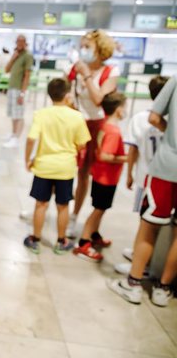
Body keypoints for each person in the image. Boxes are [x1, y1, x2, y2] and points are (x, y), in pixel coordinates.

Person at [109, 76, 177, 306]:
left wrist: (170, 135)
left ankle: (134, 283)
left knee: (148, 227)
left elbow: (154, 117)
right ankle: (163, 288)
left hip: (167, 167)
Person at [23, 78, 91, 254]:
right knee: (63, 205)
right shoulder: (76, 116)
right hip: (66, 168)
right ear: (68, 94)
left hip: (44, 166)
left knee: (41, 204)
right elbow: (82, 143)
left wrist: (27, 159)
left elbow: (31, 138)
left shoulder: (41, 114)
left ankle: (35, 239)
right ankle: (61, 241)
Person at [66, 29, 120, 238]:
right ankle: (48, 202)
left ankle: (74, 216)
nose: (84, 50)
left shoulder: (111, 72)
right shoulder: (76, 68)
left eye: (88, 46)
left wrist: (86, 74)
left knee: (83, 174)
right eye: (83, 46)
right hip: (75, 122)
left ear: (101, 49)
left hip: (96, 127)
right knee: (64, 165)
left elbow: (99, 98)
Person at [114, 76, 168, 276]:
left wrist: (129, 173)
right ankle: (142, 255)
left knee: (145, 223)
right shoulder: (172, 119)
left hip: (147, 178)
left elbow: (133, 150)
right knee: (157, 222)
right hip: (163, 179)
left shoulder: (140, 119)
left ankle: (141, 263)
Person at [73, 92, 127, 262]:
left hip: (101, 175)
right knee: (98, 210)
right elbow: (105, 155)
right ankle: (84, 242)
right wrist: (127, 158)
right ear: (118, 110)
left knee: (101, 208)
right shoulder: (113, 131)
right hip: (106, 178)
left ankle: (94, 234)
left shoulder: (104, 125)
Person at [3, 35, 33, 148]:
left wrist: (22, 92)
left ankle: (16, 138)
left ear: (25, 43)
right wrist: (13, 58)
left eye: (21, 42)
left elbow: (27, 75)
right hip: (12, 88)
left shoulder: (28, 56)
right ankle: (13, 133)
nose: (19, 44)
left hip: (19, 89)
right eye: (17, 42)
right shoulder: (16, 55)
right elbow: (6, 70)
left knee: (18, 114)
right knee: (13, 114)